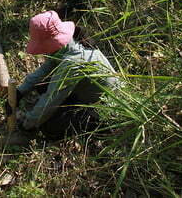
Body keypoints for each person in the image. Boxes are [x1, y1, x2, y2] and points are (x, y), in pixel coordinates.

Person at [12, 11, 119, 140]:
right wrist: (20, 91)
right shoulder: (67, 45)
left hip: (102, 107)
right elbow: (45, 69)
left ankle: (95, 126)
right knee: (42, 84)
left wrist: (27, 124)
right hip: (85, 91)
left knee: (49, 127)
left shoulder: (73, 62)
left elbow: (51, 100)